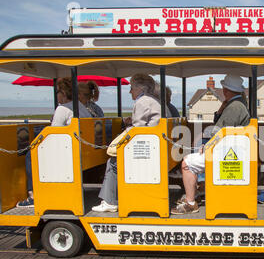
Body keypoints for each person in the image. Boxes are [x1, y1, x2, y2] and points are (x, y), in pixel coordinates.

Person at [171, 74, 250, 215]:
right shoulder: (237, 104)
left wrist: (208, 146)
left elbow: (218, 132)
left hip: (228, 153)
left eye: (224, 88)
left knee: (187, 164)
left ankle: (190, 203)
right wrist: (221, 108)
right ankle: (197, 192)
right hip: (233, 149)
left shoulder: (234, 107)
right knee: (197, 151)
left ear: (226, 90)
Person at [16, 77, 91, 207]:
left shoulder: (62, 109)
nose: (57, 95)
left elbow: (53, 134)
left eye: (57, 92)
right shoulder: (80, 107)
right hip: (84, 151)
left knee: (31, 155)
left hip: (69, 152)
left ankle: (33, 195)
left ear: (63, 93)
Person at [92, 74, 161, 212]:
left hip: (149, 148)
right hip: (154, 145)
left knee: (113, 162)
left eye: (132, 88)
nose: (130, 91)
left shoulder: (142, 102)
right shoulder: (153, 100)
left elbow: (137, 131)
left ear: (140, 88)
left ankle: (109, 201)